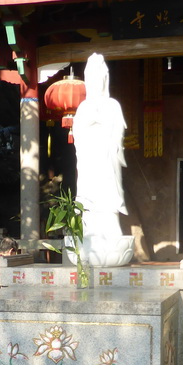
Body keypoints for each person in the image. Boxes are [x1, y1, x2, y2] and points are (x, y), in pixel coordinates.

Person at [72, 53, 127, 240]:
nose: (97, 83)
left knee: (108, 192)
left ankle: (111, 228)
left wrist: (102, 122)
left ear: (106, 79)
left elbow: (119, 132)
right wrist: (91, 122)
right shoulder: (83, 107)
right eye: (93, 79)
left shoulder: (113, 105)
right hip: (90, 160)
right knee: (88, 192)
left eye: (100, 79)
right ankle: (88, 228)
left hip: (107, 158)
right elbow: (78, 133)